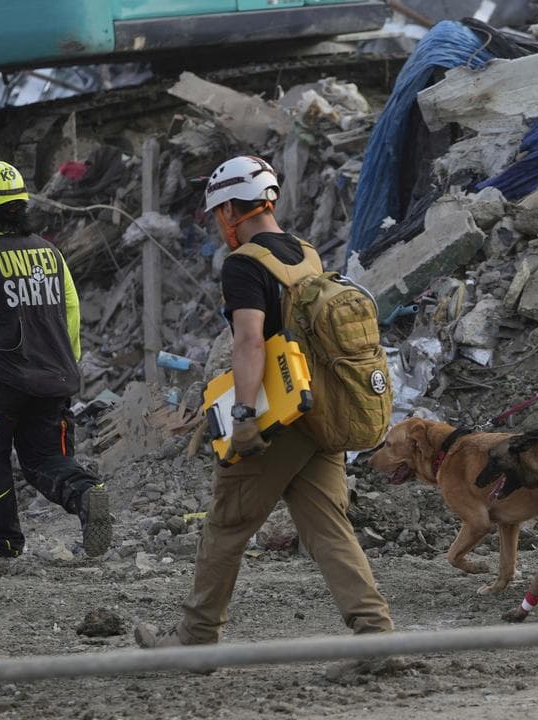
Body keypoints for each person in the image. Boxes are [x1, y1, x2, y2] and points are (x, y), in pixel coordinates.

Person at [135, 155, 393, 648]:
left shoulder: (243, 265)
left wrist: (244, 413)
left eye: (218, 216)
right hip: (324, 410)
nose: (219, 226)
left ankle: (195, 641)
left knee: (226, 526)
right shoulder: (307, 253)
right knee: (329, 530)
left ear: (231, 209)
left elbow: (250, 341)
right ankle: (378, 640)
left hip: (279, 419)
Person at [0, 160, 111, 562]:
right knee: (47, 460)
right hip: (54, 379)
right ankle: (85, 493)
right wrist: (70, 363)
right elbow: (70, 312)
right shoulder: (50, 254)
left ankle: (3, 544)